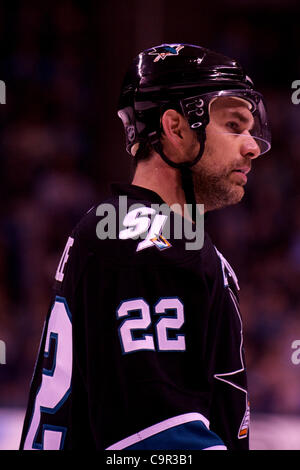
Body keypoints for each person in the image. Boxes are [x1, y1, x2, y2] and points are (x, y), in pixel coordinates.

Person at [20, 43, 271, 451]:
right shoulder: (146, 238)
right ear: (175, 128)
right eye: (234, 126)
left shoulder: (126, 228)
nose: (253, 145)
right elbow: (160, 445)